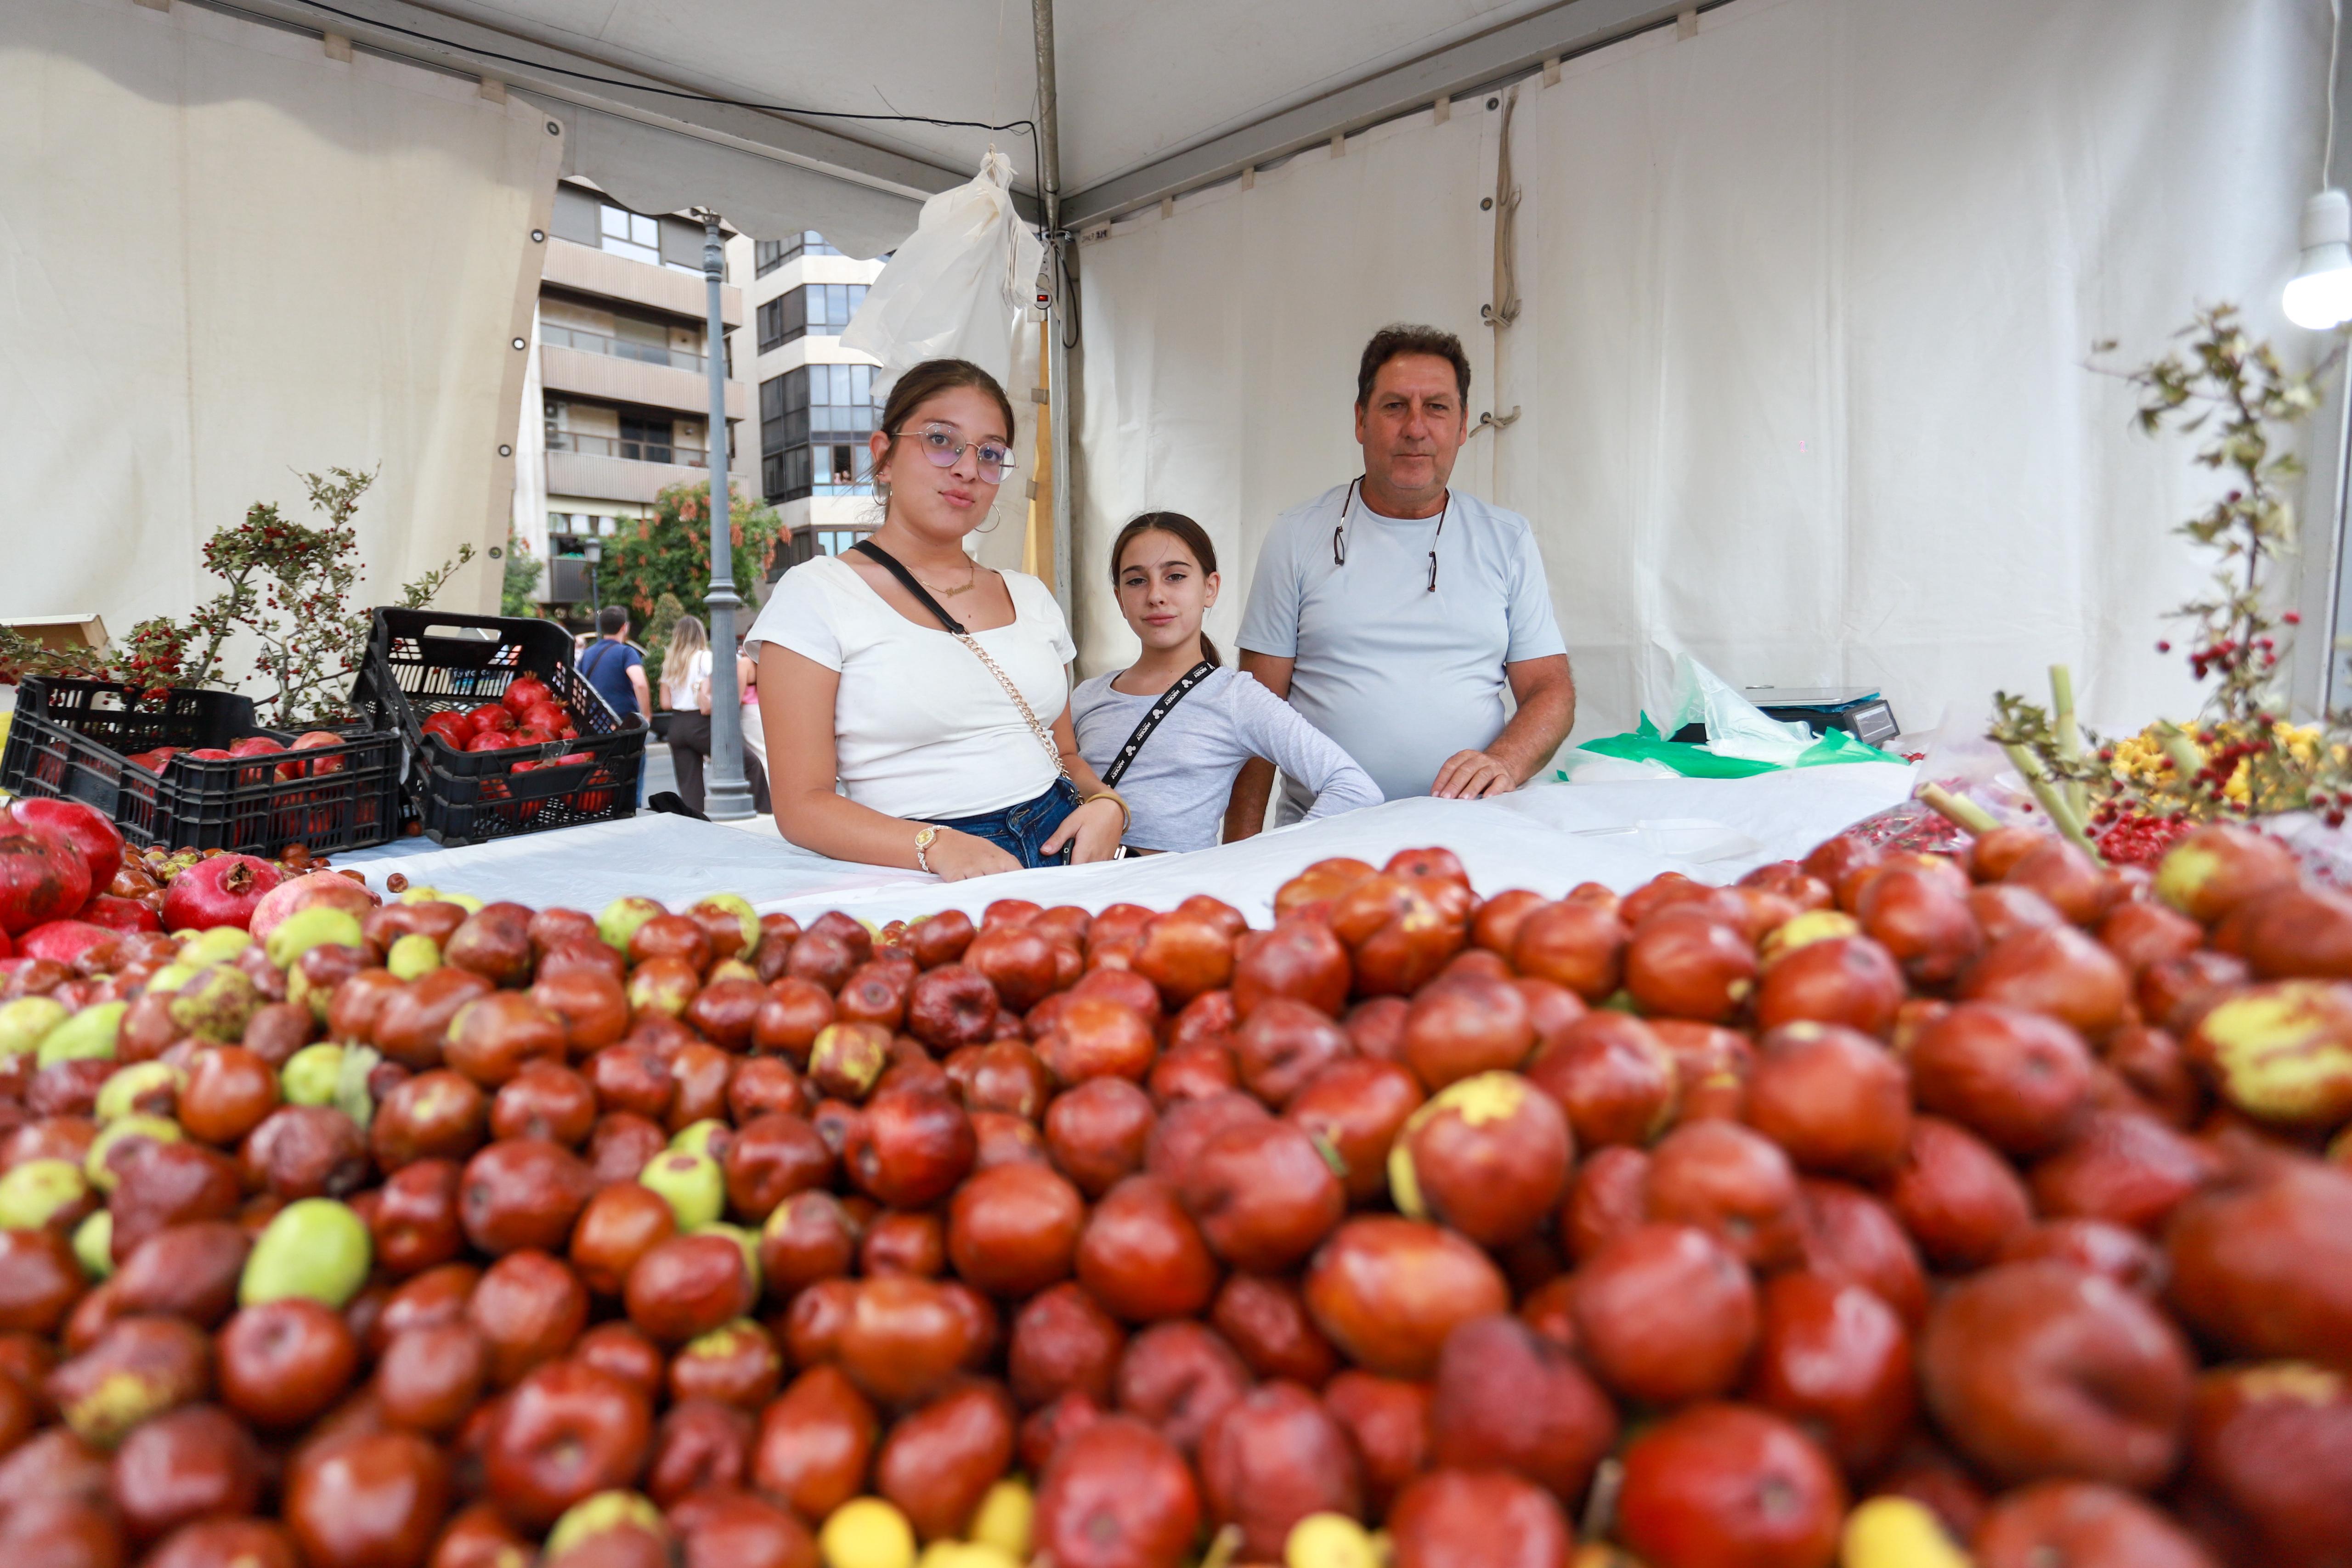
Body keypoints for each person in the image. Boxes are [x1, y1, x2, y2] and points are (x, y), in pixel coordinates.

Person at [748, 358, 1129, 880]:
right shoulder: (818, 594)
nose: (968, 469)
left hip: (1061, 849)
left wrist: (1109, 805)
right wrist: (935, 846)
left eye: (990, 453)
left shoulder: (1030, 597)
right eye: (941, 440)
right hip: (916, 866)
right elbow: (802, 805)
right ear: (883, 456)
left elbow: (1063, 753)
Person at [1227, 324, 1575, 837]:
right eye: (1394, 407)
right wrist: (1240, 853)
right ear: (1360, 420)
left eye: (1436, 407)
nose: (1415, 429)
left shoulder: (1506, 539)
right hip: (1324, 836)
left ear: (1461, 427)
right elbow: (1256, 710)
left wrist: (1504, 762)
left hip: (1473, 830)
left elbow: (1550, 689)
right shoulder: (1295, 537)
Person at [1073, 513, 1380, 852]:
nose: (1156, 595)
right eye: (1136, 581)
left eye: (1175, 577)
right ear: (1119, 599)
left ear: (1210, 588)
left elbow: (1353, 788)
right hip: (1082, 894)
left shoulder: (1235, 697)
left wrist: (1262, 863)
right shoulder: (1085, 697)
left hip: (1174, 900)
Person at [659, 614, 772, 816]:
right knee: (750, 764)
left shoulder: (670, 663)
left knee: (690, 785)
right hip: (701, 723)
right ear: (701, 635)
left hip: (676, 726)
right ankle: (765, 811)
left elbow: (665, 703)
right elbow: (724, 680)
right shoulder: (705, 657)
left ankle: (697, 827)